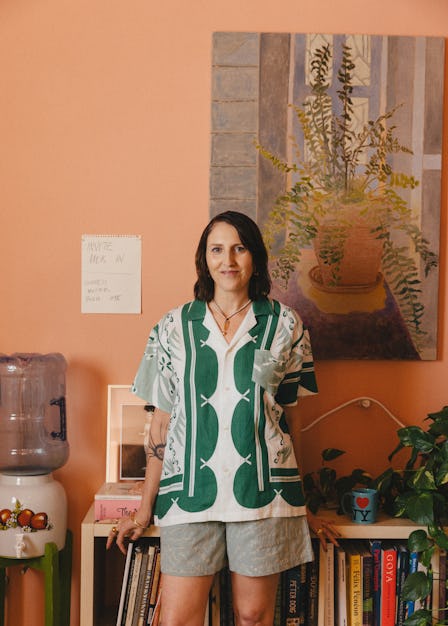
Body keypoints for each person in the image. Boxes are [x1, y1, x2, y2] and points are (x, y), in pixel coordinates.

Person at [107, 211, 340, 626]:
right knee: (179, 619)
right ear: (204, 259)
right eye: (217, 249)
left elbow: (289, 420)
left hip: (263, 495)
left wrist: (301, 502)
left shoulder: (286, 324)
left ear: (255, 257)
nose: (228, 259)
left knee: (253, 615)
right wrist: (144, 510)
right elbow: (161, 425)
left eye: (239, 247)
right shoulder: (172, 328)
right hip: (189, 494)